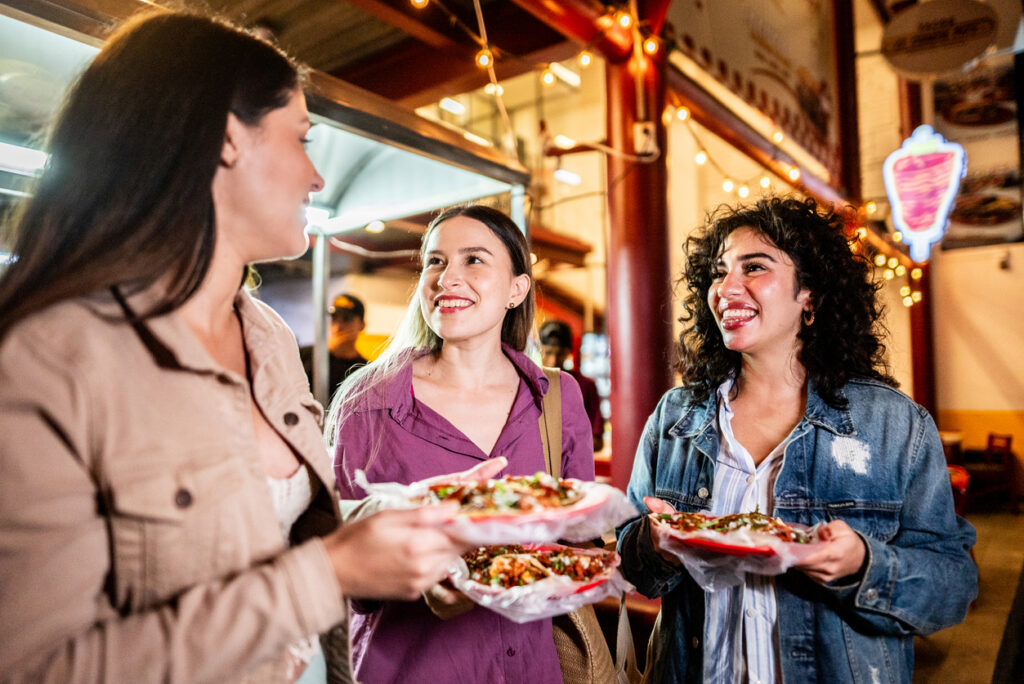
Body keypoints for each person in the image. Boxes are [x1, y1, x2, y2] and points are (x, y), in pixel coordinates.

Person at [0, 11, 486, 682]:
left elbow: (266, 528)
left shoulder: (268, 336)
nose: (317, 178)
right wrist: (329, 572)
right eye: (302, 138)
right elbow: (39, 667)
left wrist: (406, 514)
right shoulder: (52, 361)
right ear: (229, 139)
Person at [616, 197, 977, 683]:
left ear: (810, 294)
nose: (726, 289)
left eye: (755, 267)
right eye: (720, 272)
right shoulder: (675, 417)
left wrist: (864, 564)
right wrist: (652, 545)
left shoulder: (893, 424)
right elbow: (631, 564)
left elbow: (952, 586)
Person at [327, 204, 597, 683]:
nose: (446, 277)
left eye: (473, 260)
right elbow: (334, 564)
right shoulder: (366, 401)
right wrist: (418, 575)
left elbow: (578, 539)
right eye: (435, 261)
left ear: (517, 289)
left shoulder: (557, 398)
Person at [540, 319, 605, 452]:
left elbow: (597, 442)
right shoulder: (529, 385)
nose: (553, 361)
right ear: (540, 350)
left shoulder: (586, 386)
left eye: (559, 354)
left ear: (568, 352)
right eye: (548, 352)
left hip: (572, 471)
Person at [301, 293, 369, 396]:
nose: (338, 327)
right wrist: (326, 350)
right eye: (334, 319)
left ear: (362, 325)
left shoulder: (365, 370)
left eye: (346, 319)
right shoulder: (305, 355)